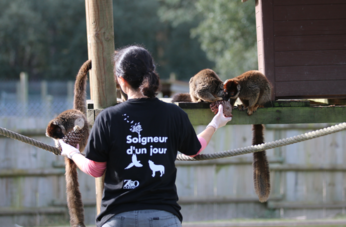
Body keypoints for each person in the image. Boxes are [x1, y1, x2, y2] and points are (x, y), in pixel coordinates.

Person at [59, 45, 232, 227]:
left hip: (118, 218)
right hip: (164, 218)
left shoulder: (108, 118)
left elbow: (95, 169)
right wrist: (215, 123)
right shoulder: (174, 114)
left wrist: (71, 153)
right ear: (152, 73)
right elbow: (194, 149)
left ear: (121, 80)